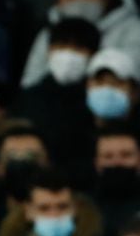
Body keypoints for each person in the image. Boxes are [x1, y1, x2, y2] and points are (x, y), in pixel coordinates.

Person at [20, 0, 140, 90]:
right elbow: (31, 81)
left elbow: (138, 78)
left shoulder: (133, 29)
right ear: (58, 1)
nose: (80, 2)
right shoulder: (48, 34)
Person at [10, 18, 101, 161]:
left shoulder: (97, 100)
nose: (68, 55)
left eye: (78, 49)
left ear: (93, 54)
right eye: (62, 46)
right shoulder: (29, 97)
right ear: (49, 50)